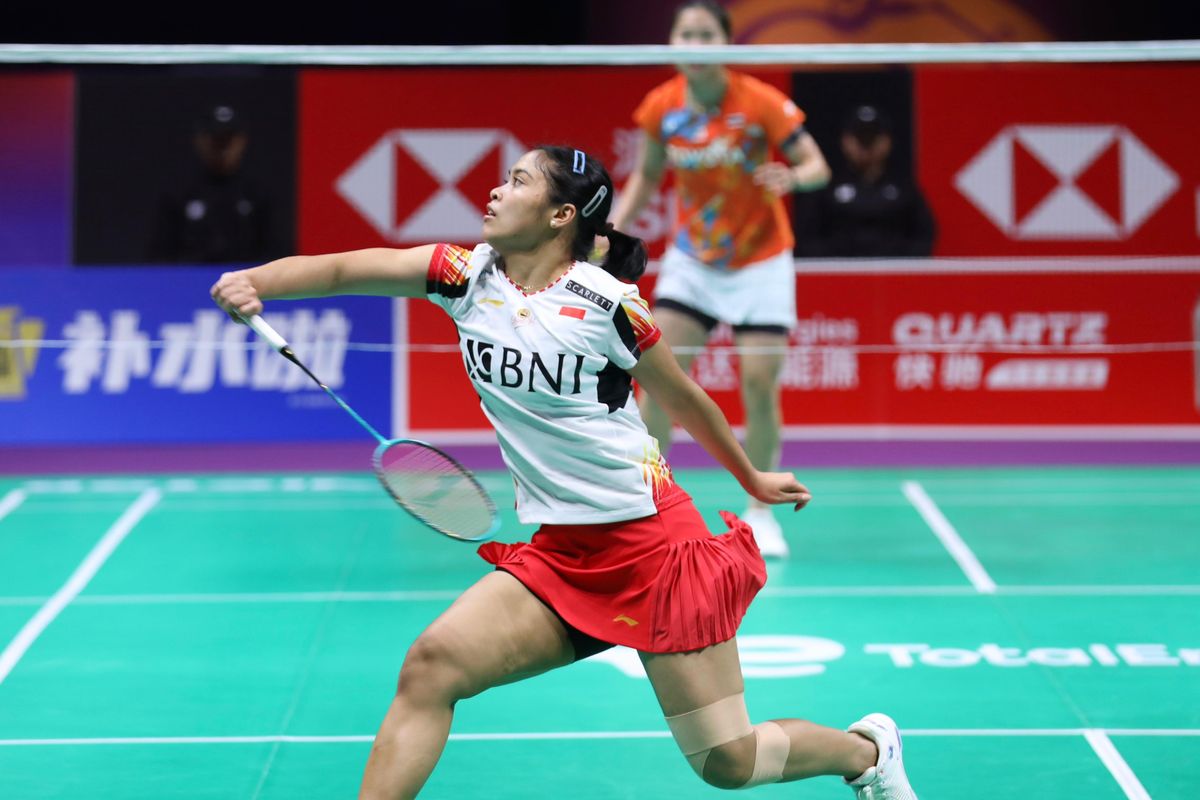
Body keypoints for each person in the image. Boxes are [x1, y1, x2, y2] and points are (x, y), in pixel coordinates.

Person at [211, 145, 917, 800]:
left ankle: (867, 753)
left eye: (518, 181)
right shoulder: (462, 276)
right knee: (431, 667)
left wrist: (751, 478)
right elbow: (343, 269)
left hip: (654, 549)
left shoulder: (607, 303)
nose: (496, 190)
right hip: (565, 552)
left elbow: (682, 397)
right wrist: (254, 283)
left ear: (560, 215)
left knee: (727, 762)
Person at [608, 0, 832, 559]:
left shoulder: (759, 101)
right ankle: (648, 504)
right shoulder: (661, 107)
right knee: (657, 379)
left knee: (758, 383)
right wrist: (608, 233)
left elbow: (817, 166)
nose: (696, 45)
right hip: (694, 260)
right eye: (686, 34)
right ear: (673, 44)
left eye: (707, 35)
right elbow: (647, 177)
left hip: (761, 259)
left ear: (726, 43)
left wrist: (793, 177)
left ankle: (761, 512)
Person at [796, 104, 936, 258]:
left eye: (872, 137)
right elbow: (807, 235)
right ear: (845, 141)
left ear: (887, 142)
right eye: (860, 137)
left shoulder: (904, 187)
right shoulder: (825, 185)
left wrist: (905, 265)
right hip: (839, 269)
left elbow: (923, 233)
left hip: (894, 269)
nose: (866, 145)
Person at [150, 104, 278, 263]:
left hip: (247, 276)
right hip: (188, 276)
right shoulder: (177, 195)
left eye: (228, 140)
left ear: (242, 142)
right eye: (215, 139)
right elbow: (159, 257)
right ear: (199, 141)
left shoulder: (258, 194)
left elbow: (275, 253)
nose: (222, 148)